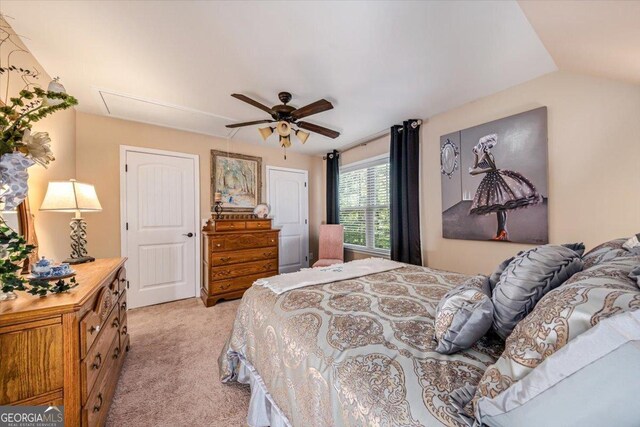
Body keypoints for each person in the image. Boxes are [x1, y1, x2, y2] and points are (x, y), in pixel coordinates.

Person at [469, 134, 542, 241]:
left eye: (484, 145)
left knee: (501, 206)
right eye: (482, 145)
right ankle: (501, 231)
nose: (482, 147)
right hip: (490, 180)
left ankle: (502, 231)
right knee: (499, 207)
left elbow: (492, 168)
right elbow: (476, 166)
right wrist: (475, 154)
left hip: (494, 179)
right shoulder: (484, 155)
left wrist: (477, 172)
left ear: (487, 146)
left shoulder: (488, 154)